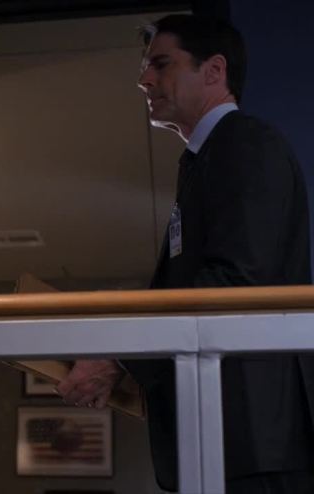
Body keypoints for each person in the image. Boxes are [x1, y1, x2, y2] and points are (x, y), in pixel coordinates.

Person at [56, 14, 314, 493]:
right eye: (144, 68)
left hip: (253, 441)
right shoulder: (206, 158)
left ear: (214, 71)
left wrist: (119, 358)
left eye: (161, 64)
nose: (144, 80)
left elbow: (237, 284)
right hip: (228, 439)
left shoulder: (244, 144)